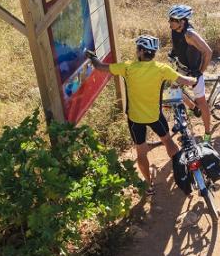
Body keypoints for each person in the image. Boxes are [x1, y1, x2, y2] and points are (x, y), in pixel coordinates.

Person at [85, 35, 198, 195]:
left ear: (141, 51)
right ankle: (180, 169)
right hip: (154, 116)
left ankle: (149, 185)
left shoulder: (127, 67)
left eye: (137, 48)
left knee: (141, 151)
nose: (136, 51)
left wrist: (92, 56)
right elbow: (185, 80)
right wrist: (195, 78)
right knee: (167, 140)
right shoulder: (161, 68)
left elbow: (100, 67)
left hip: (135, 119)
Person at [167, 4, 213, 142]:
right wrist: (173, 53)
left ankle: (207, 134)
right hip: (182, 68)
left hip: (193, 72)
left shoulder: (190, 34)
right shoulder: (175, 30)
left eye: (172, 20)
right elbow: (178, 44)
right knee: (172, 93)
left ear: (181, 21)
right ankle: (193, 108)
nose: (169, 22)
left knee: (202, 102)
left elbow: (208, 52)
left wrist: (200, 72)